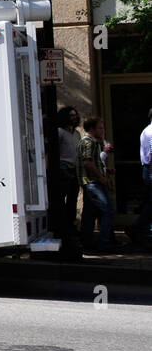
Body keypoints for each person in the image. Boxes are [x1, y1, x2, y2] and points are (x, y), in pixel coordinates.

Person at [78, 116, 115, 253]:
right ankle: (104, 243)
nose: (102, 130)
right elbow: (87, 163)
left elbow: (95, 162)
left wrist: (106, 171)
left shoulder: (92, 142)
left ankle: (87, 243)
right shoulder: (89, 142)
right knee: (108, 210)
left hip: (91, 182)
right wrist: (101, 177)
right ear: (92, 129)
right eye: (100, 128)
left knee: (89, 214)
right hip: (93, 183)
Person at [52, 106, 82, 257]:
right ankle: (61, 228)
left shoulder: (76, 134)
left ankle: (70, 227)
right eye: (71, 115)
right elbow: (53, 152)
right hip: (63, 170)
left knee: (72, 201)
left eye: (75, 115)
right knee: (61, 201)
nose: (74, 118)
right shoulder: (59, 132)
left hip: (74, 171)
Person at [136, 107, 152, 249]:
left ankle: (139, 229)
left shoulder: (147, 130)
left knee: (150, 202)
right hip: (151, 169)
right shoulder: (151, 131)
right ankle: (140, 229)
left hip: (148, 169)